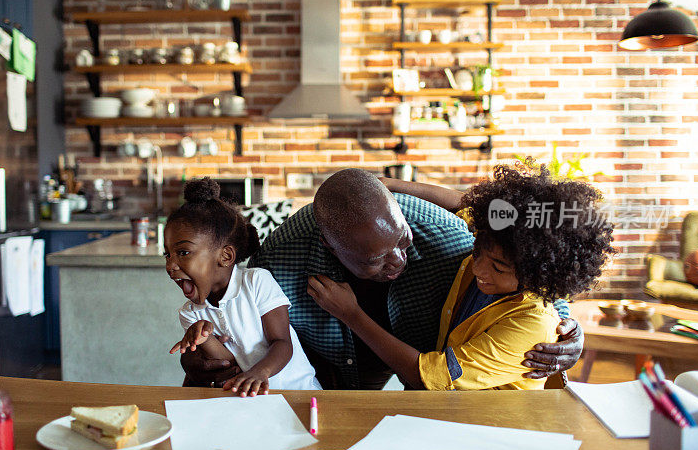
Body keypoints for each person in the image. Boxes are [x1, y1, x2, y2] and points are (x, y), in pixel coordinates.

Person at [182, 168, 586, 390]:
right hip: (328, 386)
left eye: (403, 242)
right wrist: (202, 358)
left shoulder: (449, 237)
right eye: (376, 259)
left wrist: (566, 326)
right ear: (330, 245)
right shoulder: (282, 256)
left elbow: (533, 272)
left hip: (442, 393)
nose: (398, 261)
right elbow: (231, 310)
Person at [308, 164, 614, 390]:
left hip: (487, 426)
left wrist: (351, 314)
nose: (478, 269)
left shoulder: (531, 324)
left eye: (498, 268)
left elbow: (429, 376)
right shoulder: (498, 241)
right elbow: (465, 204)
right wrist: (383, 184)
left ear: (536, 276)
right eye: (478, 251)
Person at [165, 178, 320, 396]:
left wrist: (259, 372)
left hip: (300, 393)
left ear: (226, 256)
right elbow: (229, 364)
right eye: (167, 254)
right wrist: (204, 338)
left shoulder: (256, 282)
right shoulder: (190, 314)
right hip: (253, 400)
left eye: (182, 253)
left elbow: (282, 343)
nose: (170, 265)